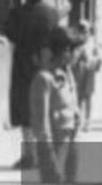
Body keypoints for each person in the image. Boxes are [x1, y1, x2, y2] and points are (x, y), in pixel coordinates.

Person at [5, 0, 60, 169]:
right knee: (44, 108)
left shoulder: (16, 13)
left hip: (22, 66)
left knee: (24, 110)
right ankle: (45, 154)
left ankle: (29, 155)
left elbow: (10, 35)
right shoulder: (52, 13)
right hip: (45, 65)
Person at [29, 25, 82, 184]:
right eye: (70, 50)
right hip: (54, 145)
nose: (74, 54)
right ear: (61, 50)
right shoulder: (44, 78)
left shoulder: (68, 74)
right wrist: (49, 154)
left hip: (71, 140)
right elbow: (41, 120)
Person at [70, 20, 102, 129]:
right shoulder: (75, 45)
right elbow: (72, 62)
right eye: (82, 32)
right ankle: (78, 119)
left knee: (88, 96)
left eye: (87, 32)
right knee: (78, 97)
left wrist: (97, 62)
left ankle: (88, 120)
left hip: (89, 71)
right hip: (78, 72)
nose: (84, 34)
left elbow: (98, 58)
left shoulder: (92, 44)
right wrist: (78, 54)